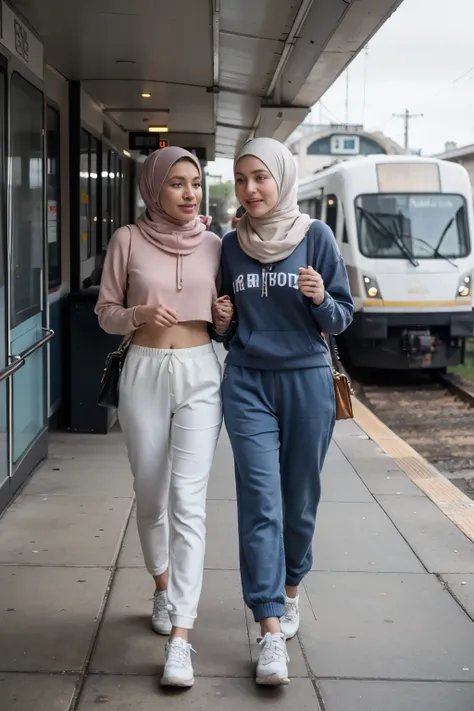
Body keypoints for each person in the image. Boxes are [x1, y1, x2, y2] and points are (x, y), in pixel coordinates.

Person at [212, 137, 353, 686]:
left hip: (306, 382)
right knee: (260, 504)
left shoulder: (316, 237)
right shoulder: (229, 245)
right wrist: (222, 321)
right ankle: (270, 628)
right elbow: (222, 329)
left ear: (281, 179)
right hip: (247, 382)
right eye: (242, 178)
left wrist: (321, 298)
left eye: (260, 177)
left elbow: (342, 318)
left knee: (298, 502)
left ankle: (292, 586)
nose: (250, 189)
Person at [95, 146, 233, 688]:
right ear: (154, 189)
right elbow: (106, 314)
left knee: (189, 503)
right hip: (145, 371)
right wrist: (139, 313)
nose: (189, 193)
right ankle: (161, 585)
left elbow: (226, 321)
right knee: (151, 493)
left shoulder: (218, 246)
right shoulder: (126, 239)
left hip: (201, 370)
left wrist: (224, 315)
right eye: (176, 183)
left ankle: (182, 635)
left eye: (195, 183)